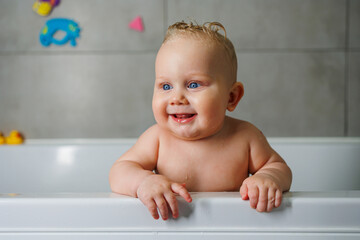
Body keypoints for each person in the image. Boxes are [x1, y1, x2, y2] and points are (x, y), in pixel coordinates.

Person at [109, 21, 292, 220]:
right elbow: (119, 171)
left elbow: (279, 168)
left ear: (231, 97)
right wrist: (143, 182)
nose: (176, 98)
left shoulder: (245, 137)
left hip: (230, 227)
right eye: (166, 86)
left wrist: (268, 177)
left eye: (193, 84)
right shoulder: (157, 138)